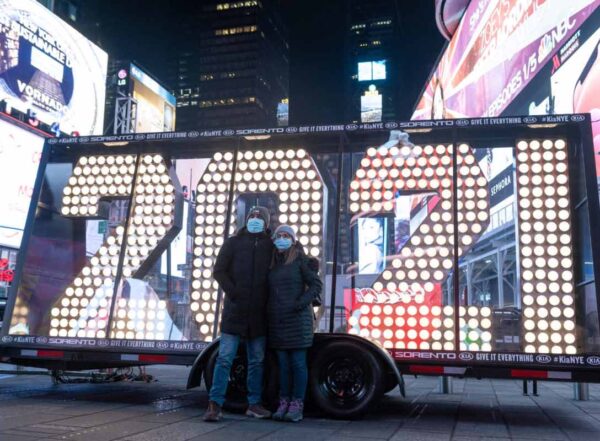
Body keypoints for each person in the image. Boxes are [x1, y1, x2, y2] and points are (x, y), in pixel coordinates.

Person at [203, 206, 274, 422]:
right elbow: (219, 271)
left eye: (259, 217)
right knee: (224, 359)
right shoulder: (233, 243)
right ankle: (215, 405)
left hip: (259, 315)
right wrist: (233, 293)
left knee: (257, 361)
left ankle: (254, 404)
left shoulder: (270, 246)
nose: (255, 219)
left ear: (266, 222)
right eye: (252, 216)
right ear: (246, 219)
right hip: (234, 312)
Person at [267, 225, 322, 422]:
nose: (281, 238)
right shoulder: (272, 262)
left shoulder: (300, 259)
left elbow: (316, 284)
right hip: (278, 322)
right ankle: (284, 402)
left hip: (298, 322)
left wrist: (300, 303)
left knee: (298, 364)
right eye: (278, 235)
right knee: (283, 366)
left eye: (286, 236)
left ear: (293, 239)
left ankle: (297, 404)